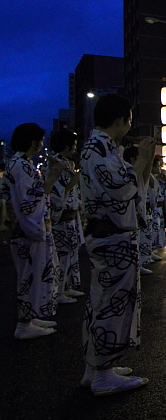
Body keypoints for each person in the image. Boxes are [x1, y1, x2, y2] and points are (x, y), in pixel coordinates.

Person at [79, 93, 154, 394]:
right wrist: (144, 160)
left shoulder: (101, 148)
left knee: (102, 301)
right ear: (121, 120)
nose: (130, 125)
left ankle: (95, 365)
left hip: (108, 236)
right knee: (112, 303)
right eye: (129, 120)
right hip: (112, 237)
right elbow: (123, 189)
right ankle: (103, 373)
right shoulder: (98, 150)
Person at [1, 123, 63, 339]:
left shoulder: (21, 163)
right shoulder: (20, 165)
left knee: (33, 275)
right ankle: (24, 323)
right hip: (27, 230)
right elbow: (29, 201)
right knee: (28, 276)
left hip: (29, 228)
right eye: (40, 140)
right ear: (33, 142)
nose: (41, 144)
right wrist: (52, 178)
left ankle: (31, 316)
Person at [43, 129, 84, 303]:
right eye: (73, 145)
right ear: (66, 146)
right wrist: (71, 185)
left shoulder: (65, 163)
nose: (75, 148)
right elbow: (55, 192)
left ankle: (67, 286)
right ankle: (58, 292)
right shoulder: (56, 164)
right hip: (62, 216)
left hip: (70, 216)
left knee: (70, 253)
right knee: (61, 255)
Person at [123, 147, 158, 275]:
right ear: (133, 159)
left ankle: (140, 263)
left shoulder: (137, 172)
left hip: (139, 210)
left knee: (139, 239)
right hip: (127, 213)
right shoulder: (126, 170)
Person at [151, 156, 166, 250]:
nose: (160, 168)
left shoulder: (162, 177)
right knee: (153, 227)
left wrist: (165, 179)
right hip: (153, 206)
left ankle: (156, 248)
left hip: (161, 204)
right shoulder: (149, 177)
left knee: (160, 227)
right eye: (158, 166)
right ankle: (150, 249)